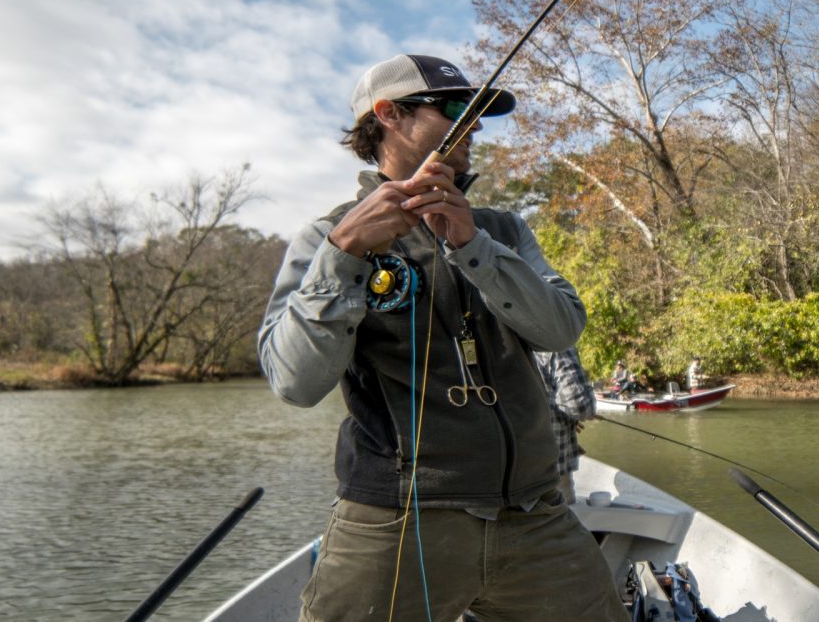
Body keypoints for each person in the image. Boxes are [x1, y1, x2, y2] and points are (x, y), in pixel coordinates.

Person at [258, 54, 627, 622]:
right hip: (395, 521)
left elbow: (561, 327)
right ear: (389, 115)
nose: (474, 126)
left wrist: (474, 246)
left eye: (478, 114)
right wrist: (343, 254)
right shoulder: (325, 237)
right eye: (456, 109)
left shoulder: (503, 229)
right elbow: (295, 383)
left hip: (535, 514)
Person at [534, 347, 596, 504]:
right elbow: (579, 406)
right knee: (560, 514)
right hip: (550, 470)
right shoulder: (556, 343)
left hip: (506, 470)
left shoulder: (492, 341)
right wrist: (585, 411)